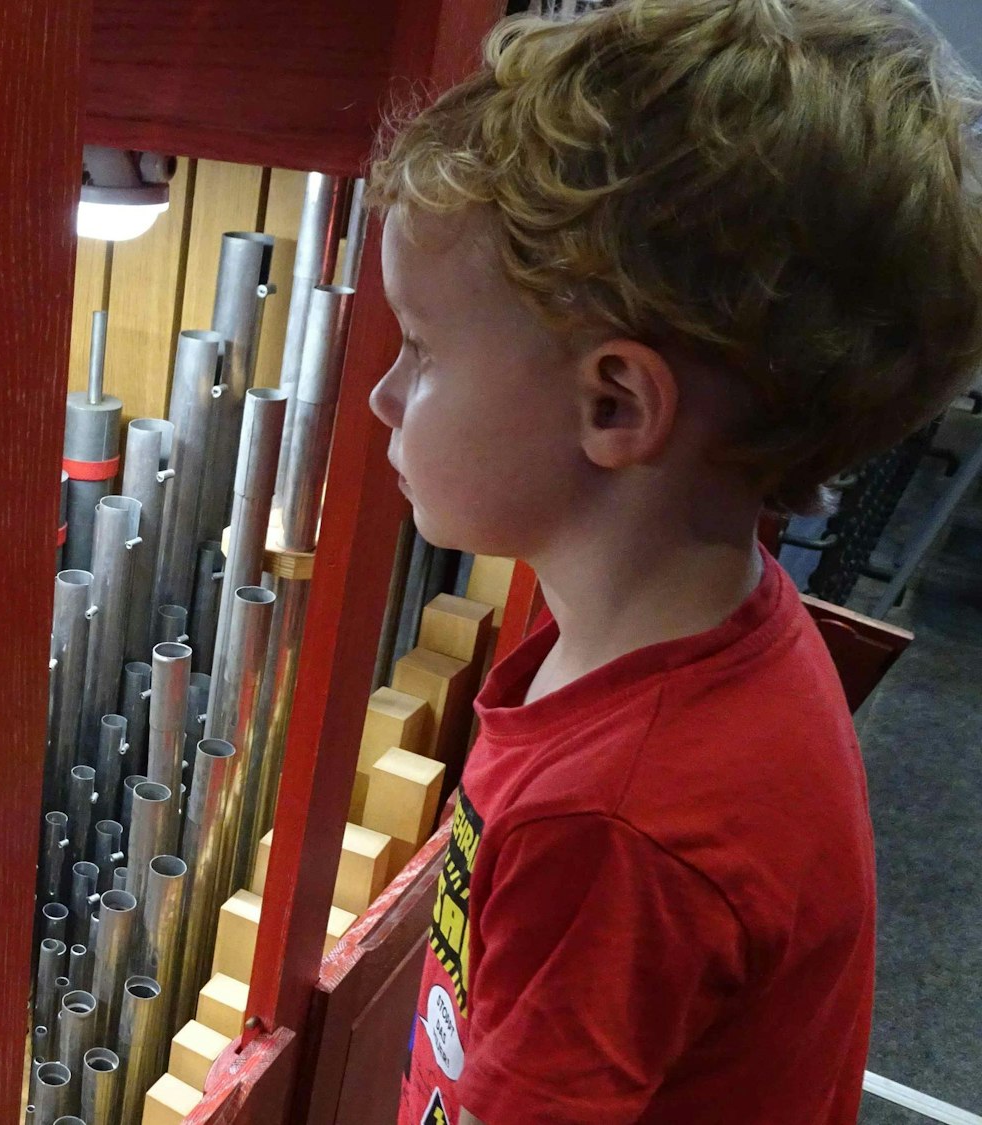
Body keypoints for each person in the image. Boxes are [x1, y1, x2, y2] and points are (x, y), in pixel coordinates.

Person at [365, 0, 982, 1121]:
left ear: (614, 402)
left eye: (419, 346)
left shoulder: (613, 823)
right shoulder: (697, 629)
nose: (383, 396)